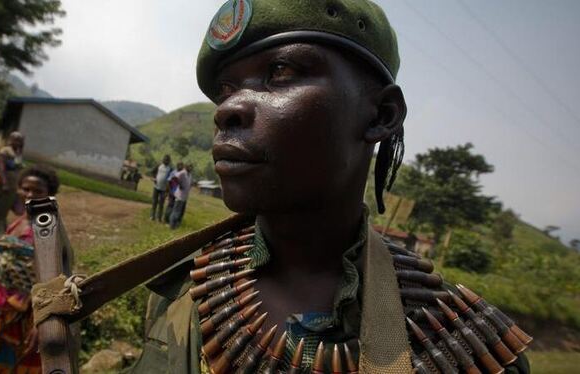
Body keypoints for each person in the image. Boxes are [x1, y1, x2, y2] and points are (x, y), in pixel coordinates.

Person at [126, 1, 531, 373]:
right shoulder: (183, 288)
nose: (228, 109)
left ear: (381, 115)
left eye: (281, 72)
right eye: (226, 90)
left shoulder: (467, 345)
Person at [0, 165, 60, 374]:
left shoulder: (47, 231)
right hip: (4, 313)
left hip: (28, 320)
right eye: (25, 189)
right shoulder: (18, 224)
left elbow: (54, 282)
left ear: (50, 195)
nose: (29, 195)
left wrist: (41, 325)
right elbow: (4, 276)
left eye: (37, 191)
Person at [0, 131, 25, 234]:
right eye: (15, 140)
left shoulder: (18, 153)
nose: (18, 142)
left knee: (5, 206)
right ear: (10, 140)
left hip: (13, 185)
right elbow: (2, 168)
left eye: (20, 140)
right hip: (5, 184)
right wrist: (5, 183)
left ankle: (0, 225)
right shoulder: (5, 151)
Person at [169, 163, 193, 229]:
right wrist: (179, 185)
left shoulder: (190, 174)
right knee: (176, 211)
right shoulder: (182, 173)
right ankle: (172, 226)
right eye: (189, 167)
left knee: (181, 213)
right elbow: (174, 179)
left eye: (191, 167)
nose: (191, 168)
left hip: (185, 197)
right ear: (186, 167)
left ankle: (177, 226)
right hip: (179, 196)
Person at [150, 155, 173, 221]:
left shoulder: (170, 169)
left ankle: (159, 218)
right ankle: (152, 216)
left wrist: (168, 191)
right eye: (165, 159)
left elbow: (171, 181)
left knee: (161, 204)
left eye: (167, 160)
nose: (166, 161)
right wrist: (154, 178)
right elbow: (152, 172)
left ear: (169, 161)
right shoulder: (159, 166)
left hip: (164, 189)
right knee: (154, 202)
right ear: (163, 160)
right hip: (156, 187)